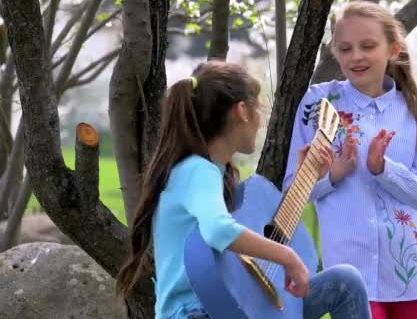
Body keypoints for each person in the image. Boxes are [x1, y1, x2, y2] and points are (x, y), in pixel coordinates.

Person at [115, 61, 372, 319]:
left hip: (230, 305)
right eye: (258, 108)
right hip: (196, 313)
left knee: (344, 283)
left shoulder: (215, 174)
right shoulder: (197, 170)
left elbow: (248, 237)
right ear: (242, 111)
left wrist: (306, 178)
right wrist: (288, 257)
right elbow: (219, 229)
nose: (260, 121)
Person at [283, 0, 417, 319]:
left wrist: (383, 170)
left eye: (367, 46)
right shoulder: (319, 104)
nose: (356, 56)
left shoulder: (415, 112)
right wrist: (333, 175)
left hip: (413, 276)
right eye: (345, 49)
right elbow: (292, 190)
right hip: (350, 280)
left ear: (393, 49)